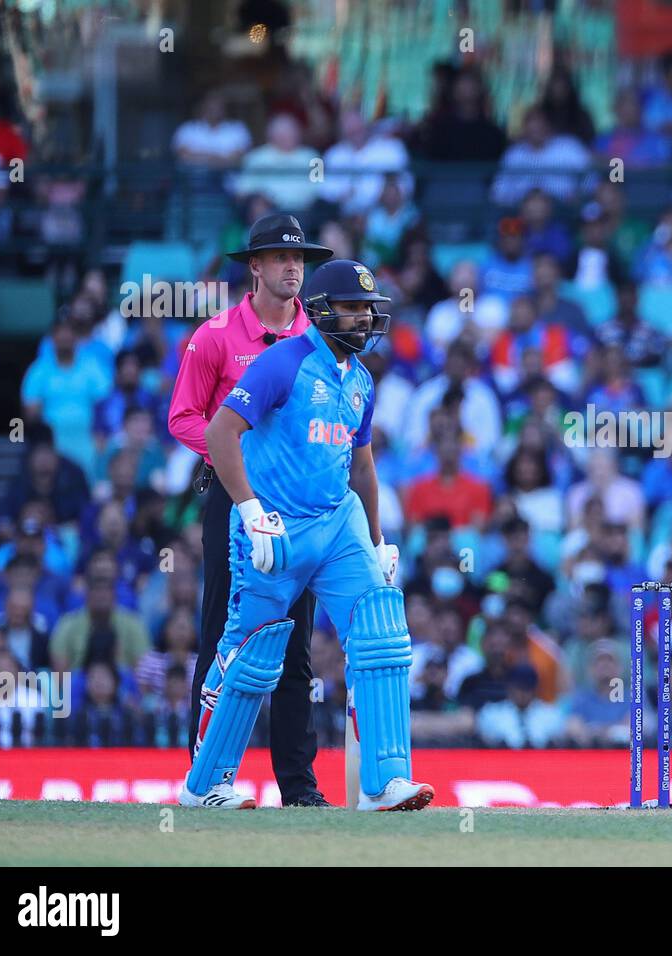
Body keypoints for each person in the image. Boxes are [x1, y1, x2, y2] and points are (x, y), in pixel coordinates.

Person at [179, 258, 431, 812]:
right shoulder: (281, 363)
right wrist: (248, 510)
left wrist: (378, 539)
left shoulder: (361, 379)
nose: (364, 319)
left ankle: (383, 783)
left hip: (337, 525)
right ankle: (205, 786)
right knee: (251, 657)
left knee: (380, 632)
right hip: (275, 529)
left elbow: (361, 467)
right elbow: (221, 431)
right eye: (352, 308)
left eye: (369, 309)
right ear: (319, 311)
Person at [167, 213, 333, 807]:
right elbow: (184, 416)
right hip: (236, 504)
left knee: (296, 644)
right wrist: (236, 464)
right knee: (222, 635)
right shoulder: (215, 336)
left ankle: (300, 787)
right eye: (282, 258)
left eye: (301, 260)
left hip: (299, 507)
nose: (294, 268)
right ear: (254, 267)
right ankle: (205, 777)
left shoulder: (317, 338)